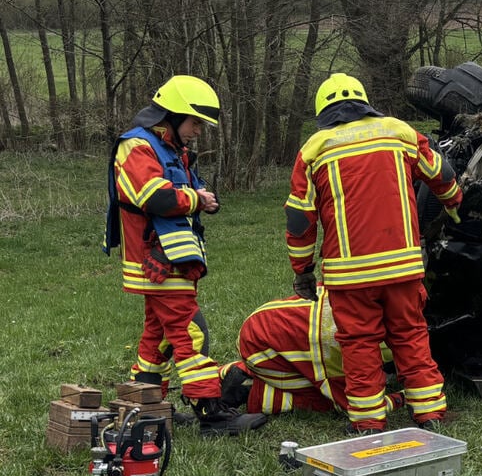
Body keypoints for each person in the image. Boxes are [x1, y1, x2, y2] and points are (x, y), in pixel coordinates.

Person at [285, 72, 463, 435]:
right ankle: (430, 412)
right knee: (410, 334)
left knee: (359, 344)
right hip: (402, 266)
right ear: (364, 102)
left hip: (349, 275)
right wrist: (454, 203)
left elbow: (300, 220)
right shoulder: (399, 132)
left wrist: (302, 269)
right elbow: (441, 173)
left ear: (323, 112)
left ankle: (368, 421)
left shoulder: (314, 150)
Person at [103, 74, 267, 437]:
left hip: (173, 260)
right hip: (156, 263)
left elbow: (187, 189)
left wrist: (204, 197)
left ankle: (146, 408)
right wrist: (196, 199)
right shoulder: (137, 146)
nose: (198, 131)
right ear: (173, 116)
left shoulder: (171, 149)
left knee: (157, 337)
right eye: (195, 123)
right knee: (191, 331)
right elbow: (154, 197)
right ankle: (211, 413)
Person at [218, 286, 404, 417]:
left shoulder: (383, 294)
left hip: (269, 320)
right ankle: (250, 391)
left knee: (304, 372)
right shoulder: (368, 350)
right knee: (328, 400)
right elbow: (360, 406)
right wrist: (403, 397)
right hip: (266, 343)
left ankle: (230, 372)